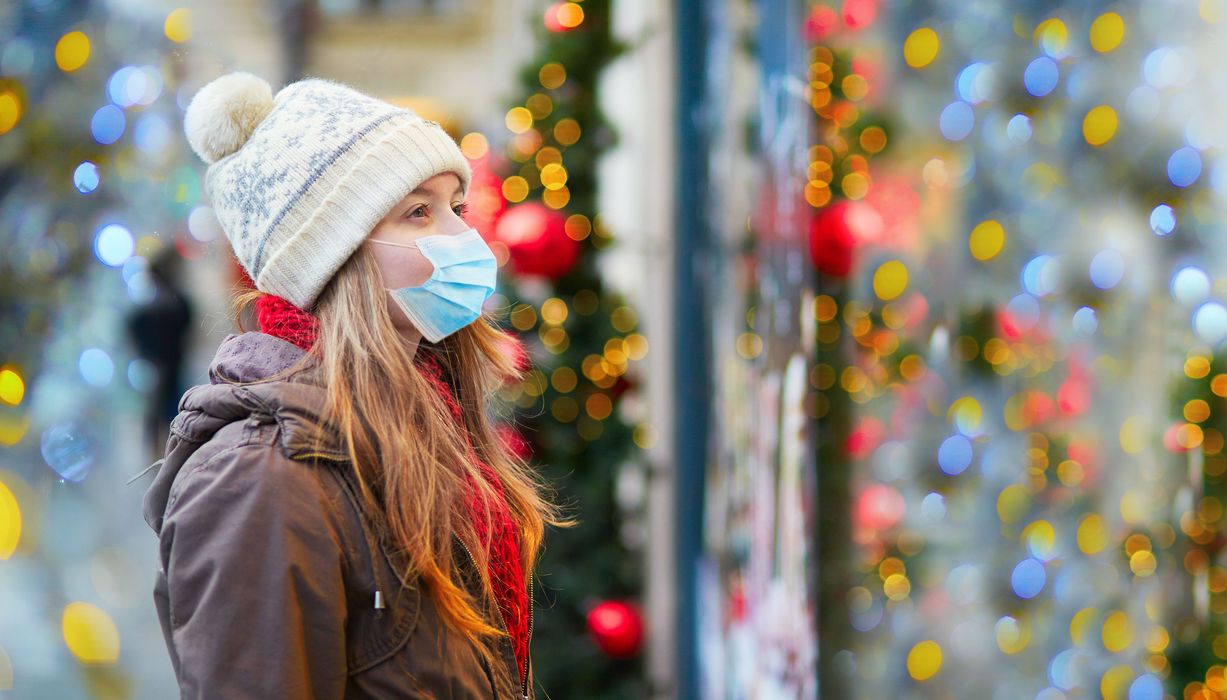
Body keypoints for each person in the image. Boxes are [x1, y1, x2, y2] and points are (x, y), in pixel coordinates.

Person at [140, 72, 568, 699]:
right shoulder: (260, 481)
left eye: (456, 207)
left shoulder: (429, 423)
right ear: (331, 257)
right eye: (418, 212)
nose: (462, 237)